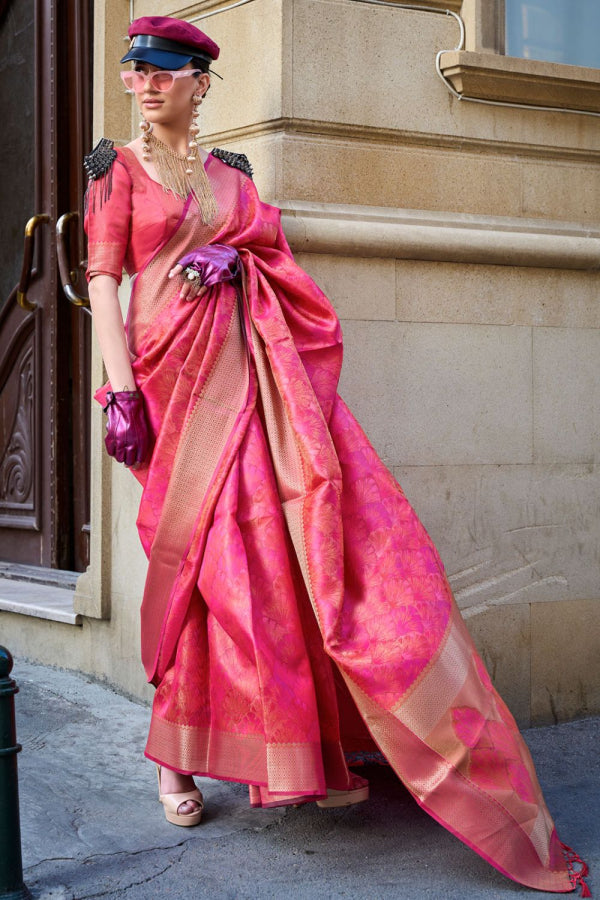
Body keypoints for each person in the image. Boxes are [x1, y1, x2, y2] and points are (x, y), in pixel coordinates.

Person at [83, 14, 590, 895]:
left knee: (270, 566)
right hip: (171, 388)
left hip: (252, 382)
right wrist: (118, 391)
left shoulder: (231, 175)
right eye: (137, 70)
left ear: (203, 81)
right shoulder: (113, 171)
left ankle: (297, 749)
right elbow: (104, 282)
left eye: (165, 69)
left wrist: (234, 268)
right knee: (198, 569)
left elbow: (275, 263)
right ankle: (173, 762)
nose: (146, 82)